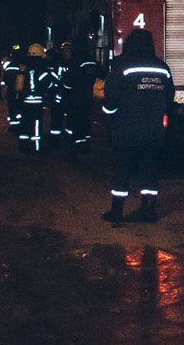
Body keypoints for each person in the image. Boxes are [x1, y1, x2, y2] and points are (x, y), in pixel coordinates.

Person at [100, 28, 173, 223]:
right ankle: (148, 211)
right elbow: (169, 98)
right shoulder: (162, 68)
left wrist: (108, 116)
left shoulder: (121, 65)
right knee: (149, 170)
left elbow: (110, 99)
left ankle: (117, 213)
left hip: (126, 130)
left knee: (122, 171)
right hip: (153, 131)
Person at [63, 39, 101, 152]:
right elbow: (101, 74)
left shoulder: (75, 61)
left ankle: (77, 144)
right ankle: (86, 142)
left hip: (75, 97)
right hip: (88, 96)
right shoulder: (92, 61)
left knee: (75, 120)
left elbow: (69, 81)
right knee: (85, 119)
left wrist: (66, 90)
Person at [18, 43, 57, 153]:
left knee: (25, 124)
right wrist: (53, 87)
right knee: (36, 124)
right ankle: (36, 147)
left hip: (24, 101)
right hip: (36, 102)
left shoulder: (25, 66)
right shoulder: (40, 67)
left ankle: (23, 146)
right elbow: (46, 83)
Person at [49, 41, 73, 143]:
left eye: (69, 50)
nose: (67, 53)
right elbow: (53, 77)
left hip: (70, 96)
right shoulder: (57, 63)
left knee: (70, 118)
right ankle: (55, 139)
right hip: (57, 96)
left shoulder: (74, 63)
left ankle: (69, 138)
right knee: (56, 118)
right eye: (65, 50)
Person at [0, 44, 26, 133]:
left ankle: (13, 127)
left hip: (11, 91)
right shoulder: (23, 66)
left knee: (12, 109)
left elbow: (5, 79)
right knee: (19, 108)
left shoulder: (9, 65)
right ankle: (21, 125)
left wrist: (5, 89)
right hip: (21, 91)